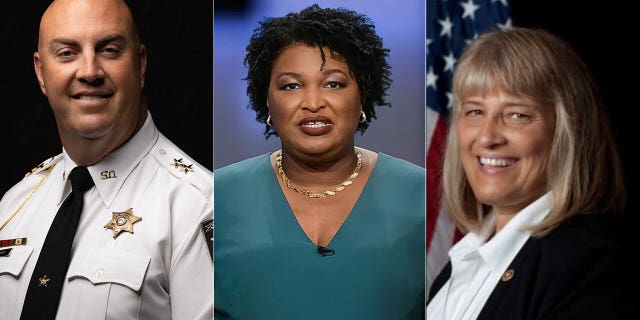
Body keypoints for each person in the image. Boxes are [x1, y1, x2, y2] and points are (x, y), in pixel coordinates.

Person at [0, 0, 213, 319]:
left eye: (110, 50)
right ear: (41, 72)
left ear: (140, 64)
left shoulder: (197, 206)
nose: (89, 71)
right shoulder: (14, 205)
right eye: (67, 53)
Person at [214, 4, 425, 320]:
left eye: (333, 84)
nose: (313, 103)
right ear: (266, 100)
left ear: (362, 95)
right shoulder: (214, 195)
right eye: (291, 86)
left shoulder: (423, 194)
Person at [426, 27, 633, 319]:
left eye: (516, 115)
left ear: (566, 131)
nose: (487, 137)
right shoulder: (465, 259)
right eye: (474, 111)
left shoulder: (587, 266)